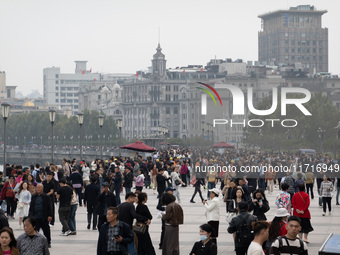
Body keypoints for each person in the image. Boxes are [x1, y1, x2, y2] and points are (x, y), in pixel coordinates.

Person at [28, 183, 52, 248]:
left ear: (42, 188)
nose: (37, 189)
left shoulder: (46, 197)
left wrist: (50, 215)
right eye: (37, 188)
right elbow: (31, 207)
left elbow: (49, 207)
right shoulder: (33, 196)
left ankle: (48, 242)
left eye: (39, 188)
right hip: (35, 217)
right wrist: (29, 216)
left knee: (46, 231)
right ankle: (34, 242)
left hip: (44, 217)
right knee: (35, 231)